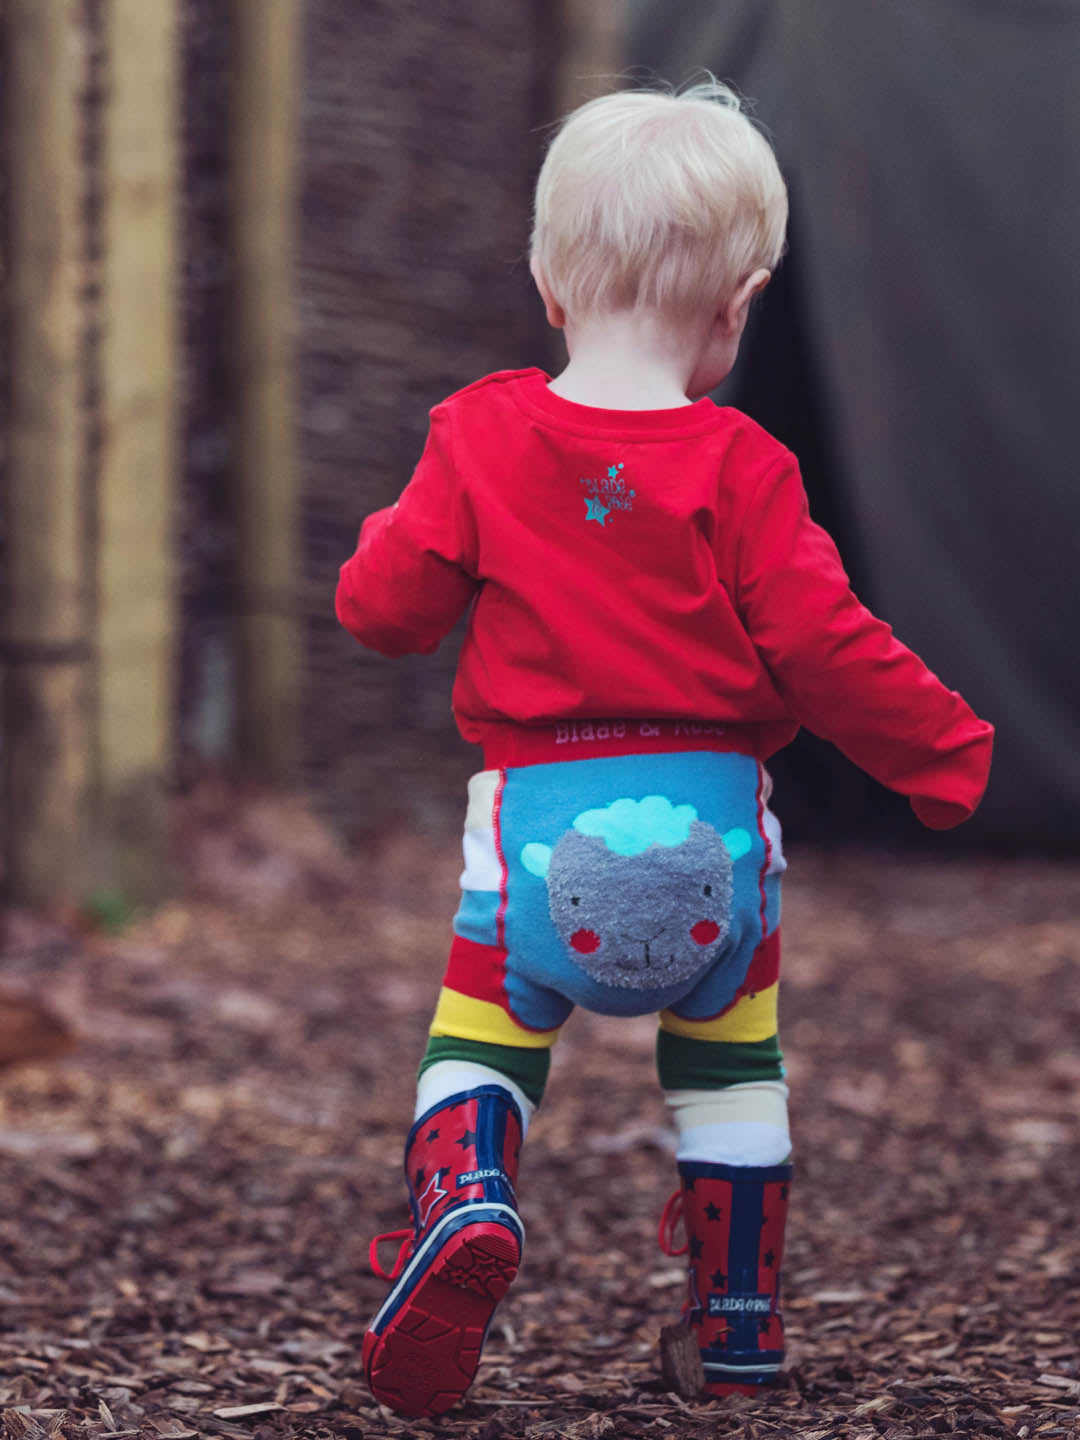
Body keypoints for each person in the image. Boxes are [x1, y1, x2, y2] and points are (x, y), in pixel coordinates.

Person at [336, 79, 994, 1419]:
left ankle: (463, 1194)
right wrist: (944, 752)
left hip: (536, 832)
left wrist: (414, 543)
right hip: (716, 845)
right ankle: (737, 1317)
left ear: (545, 281)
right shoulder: (745, 467)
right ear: (741, 303)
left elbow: (383, 612)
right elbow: (825, 644)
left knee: (484, 1029)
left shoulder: (478, 435)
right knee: (731, 1059)